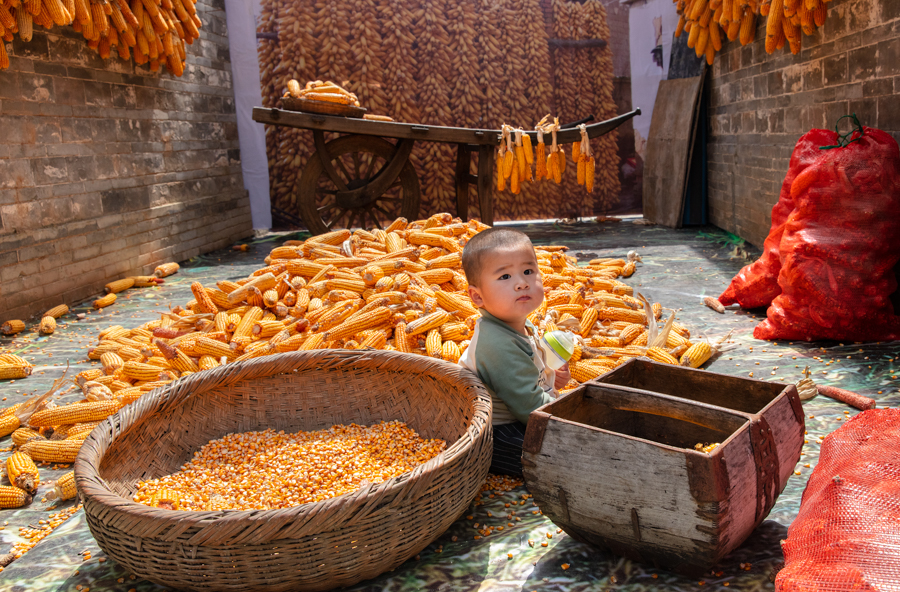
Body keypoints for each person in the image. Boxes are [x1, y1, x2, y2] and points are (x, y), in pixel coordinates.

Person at [458, 228, 570, 476]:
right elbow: (528, 407)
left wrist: (552, 375)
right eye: (505, 276)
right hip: (497, 429)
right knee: (560, 458)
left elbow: (529, 369)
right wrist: (570, 419)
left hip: (522, 410)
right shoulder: (497, 344)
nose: (522, 283)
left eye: (528, 271)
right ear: (477, 296)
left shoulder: (517, 322)